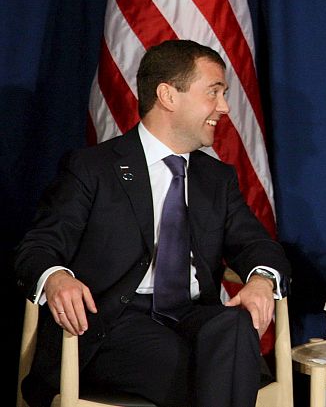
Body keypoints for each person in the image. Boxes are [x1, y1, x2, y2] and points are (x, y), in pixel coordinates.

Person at [16, 40, 290, 407]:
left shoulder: (216, 178)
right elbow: (37, 248)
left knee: (236, 326)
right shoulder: (93, 168)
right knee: (210, 370)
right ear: (168, 95)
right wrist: (56, 278)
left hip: (193, 317)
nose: (224, 107)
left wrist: (261, 280)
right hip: (113, 325)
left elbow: (258, 245)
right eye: (214, 92)